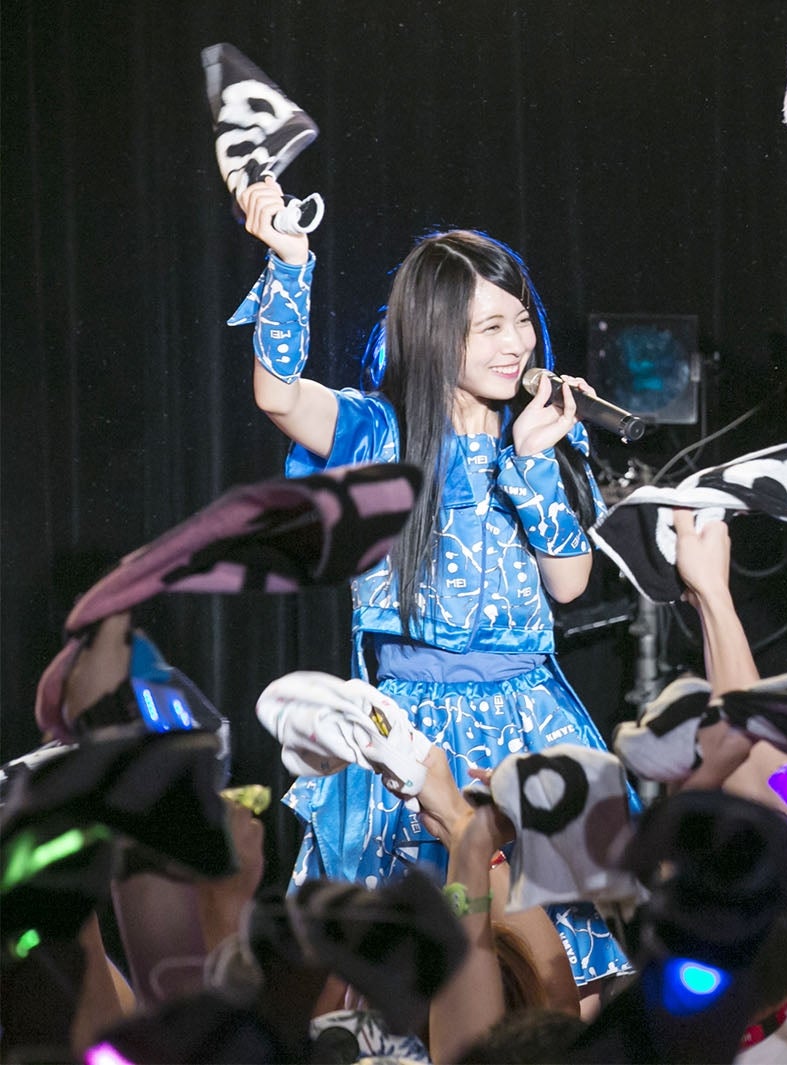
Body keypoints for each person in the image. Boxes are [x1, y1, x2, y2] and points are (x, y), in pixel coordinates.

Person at [231, 177, 630, 989]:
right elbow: (279, 396)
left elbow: (569, 584)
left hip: (531, 725)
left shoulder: (542, 434)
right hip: (408, 737)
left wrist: (534, 464)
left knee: (563, 983)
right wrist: (291, 264)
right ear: (436, 334)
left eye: (522, 319)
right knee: (394, 982)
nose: (516, 343)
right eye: (490, 326)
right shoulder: (378, 433)